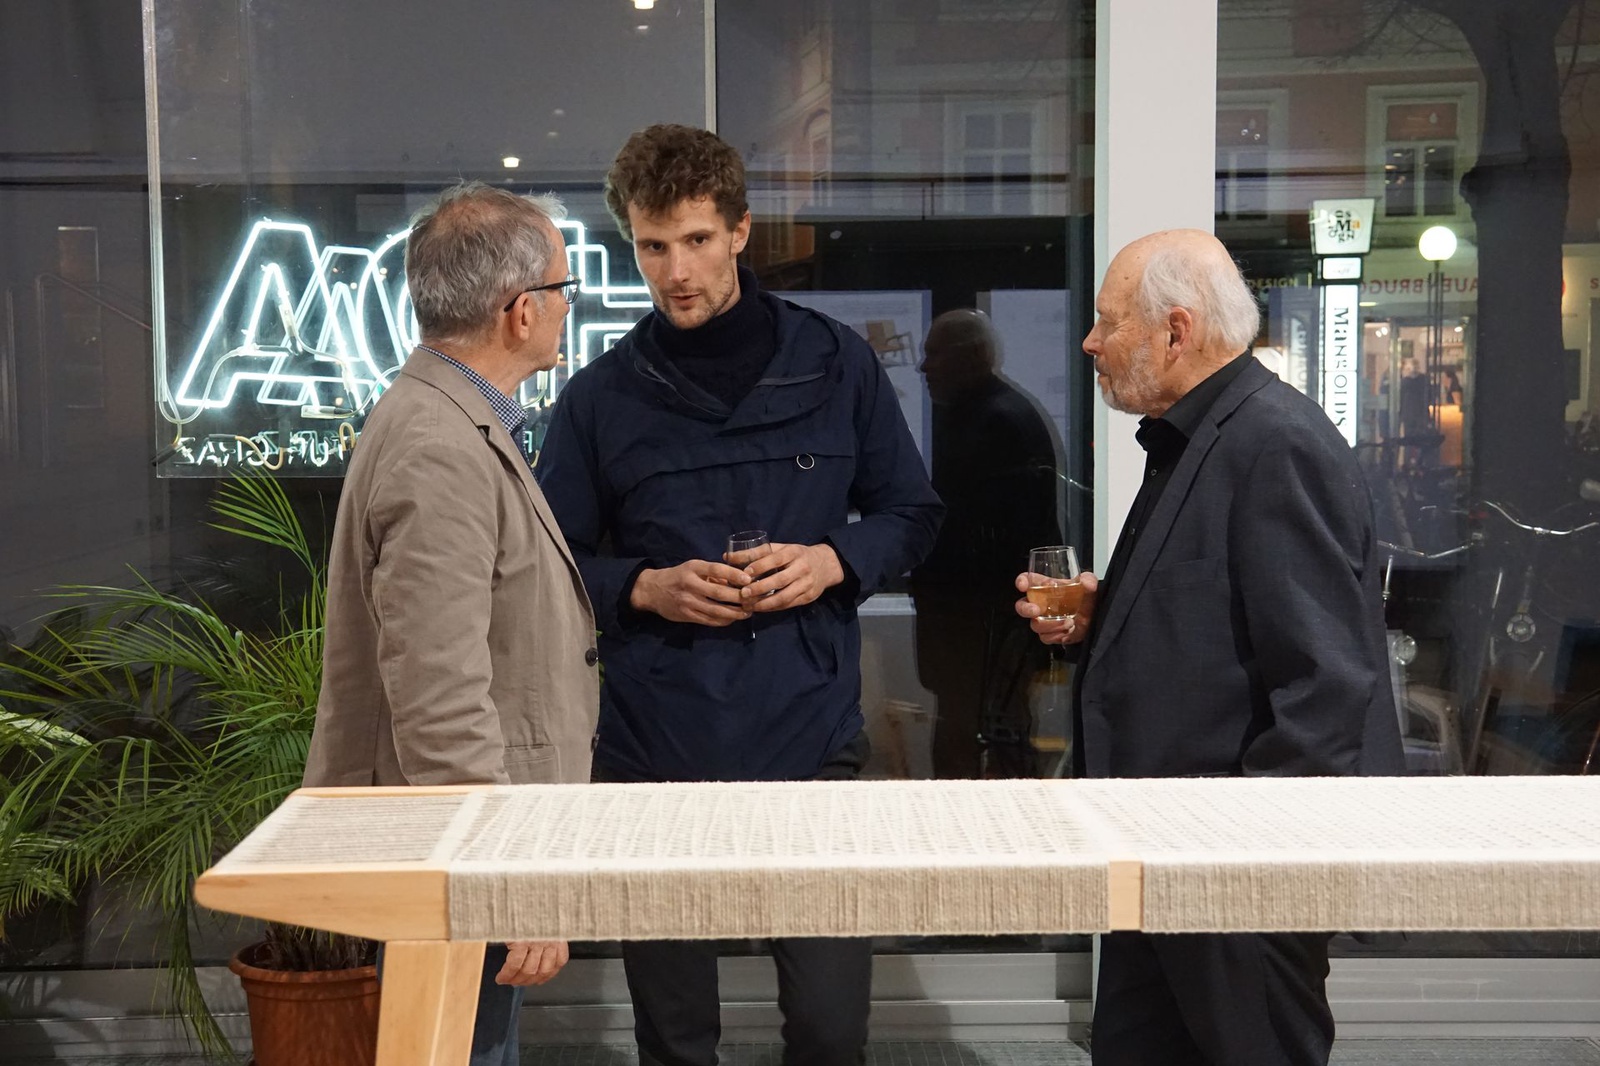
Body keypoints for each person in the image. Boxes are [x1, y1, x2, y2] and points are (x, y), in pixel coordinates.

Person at [536, 123, 943, 1066]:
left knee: (832, 1031)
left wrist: (834, 561)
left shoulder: (836, 363)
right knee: (675, 1040)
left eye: (696, 240)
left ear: (741, 232)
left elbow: (912, 513)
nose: (675, 272)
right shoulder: (600, 397)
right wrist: (645, 586)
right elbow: (547, 567)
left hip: (811, 740)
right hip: (654, 751)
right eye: (652, 246)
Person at [1015, 229, 1404, 1066]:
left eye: (1108, 321)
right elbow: (1223, 615)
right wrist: (1104, 617)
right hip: (1163, 854)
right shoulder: (1199, 435)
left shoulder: (1275, 443)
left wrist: (1241, 864)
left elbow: (1328, 687)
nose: (1090, 342)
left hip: (1233, 874)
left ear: (1176, 331)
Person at [303, 183, 600, 1066]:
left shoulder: (450, 420)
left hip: (462, 843)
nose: (568, 307)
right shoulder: (440, 444)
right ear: (520, 311)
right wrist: (502, 884)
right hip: (458, 857)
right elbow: (439, 696)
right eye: (564, 288)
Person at [910, 308, 1062, 778]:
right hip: (979, 618)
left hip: (982, 620)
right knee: (981, 727)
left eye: (935, 353)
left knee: (986, 731)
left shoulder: (995, 421)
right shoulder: (988, 414)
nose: (923, 366)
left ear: (971, 355)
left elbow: (990, 534)